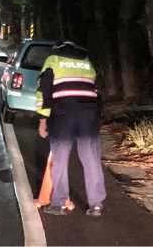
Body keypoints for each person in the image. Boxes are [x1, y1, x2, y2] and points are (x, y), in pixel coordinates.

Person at [35, 39, 106, 217]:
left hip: (63, 113)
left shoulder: (53, 60)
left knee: (60, 159)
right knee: (91, 159)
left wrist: (43, 120)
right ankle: (96, 205)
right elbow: (97, 91)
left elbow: (44, 92)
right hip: (89, 115)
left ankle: (59, 204)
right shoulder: (86, 62)